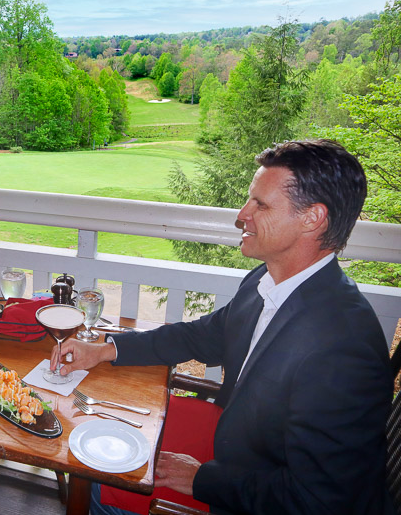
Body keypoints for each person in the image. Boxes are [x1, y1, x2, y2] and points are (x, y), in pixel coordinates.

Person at [52, 139, 393, 515]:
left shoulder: (342, 346)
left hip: (251, 485)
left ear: (312, 218)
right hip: (239, 437)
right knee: (94, 431)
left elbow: (320, 500)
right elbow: (200, 336)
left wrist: (202, 480)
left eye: (260, 204)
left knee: (98, 477)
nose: (242, 215)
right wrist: (106, 348)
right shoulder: (267, 281)